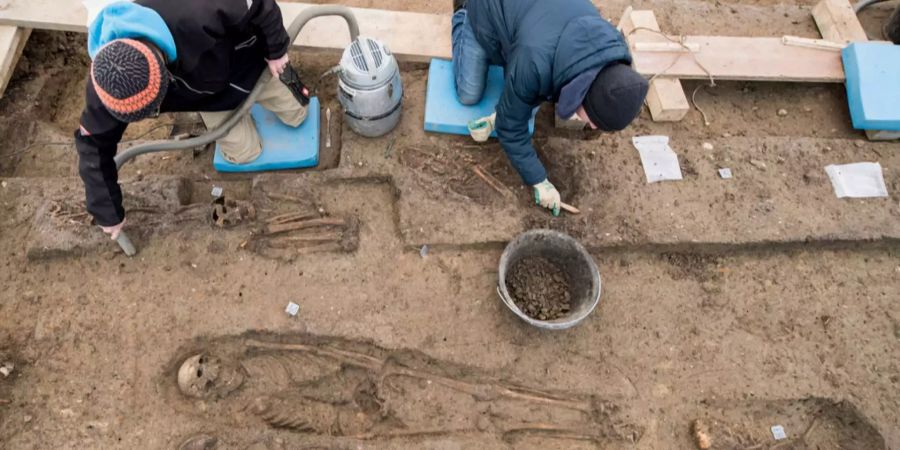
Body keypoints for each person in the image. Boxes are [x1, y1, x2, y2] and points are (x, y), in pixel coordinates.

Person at [76, 0, 308, 239]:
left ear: (163, 71)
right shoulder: (107, 84)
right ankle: (231, 122)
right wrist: (107, 213)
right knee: (245, 154)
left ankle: (271, 97)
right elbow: (93, 145)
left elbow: (259, 5)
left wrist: (276, 51)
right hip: (208, 99)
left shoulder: (196, 9)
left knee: (298, 116)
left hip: (248, 64)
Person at [451, 0, 649, 216]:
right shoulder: (534, 61)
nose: (592, 127)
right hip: (486, 9)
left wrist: (508, 106)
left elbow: (548, 82)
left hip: (531, 23)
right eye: (594, 121)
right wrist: (538, 180)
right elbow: (510, 128)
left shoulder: (609, 49)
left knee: (524, 88)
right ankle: (463, 14)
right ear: (584, 94)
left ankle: (509, 53)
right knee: (468, 94)